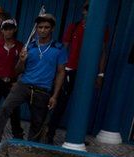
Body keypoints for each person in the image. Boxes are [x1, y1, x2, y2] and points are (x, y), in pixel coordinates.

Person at [0, 13, 67, 153]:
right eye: (40, 27)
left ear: (52, 29)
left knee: (37, 121)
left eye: (46, 27)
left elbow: (60, 72)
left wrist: (55, 95)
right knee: (5, 108)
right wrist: (22, 60)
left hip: (43, 89)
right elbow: (17, 71)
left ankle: (30, 147)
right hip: (23, 85)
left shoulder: (59, 48)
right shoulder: (29, 46)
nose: (42, 30)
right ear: (36, 29)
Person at [46, 0, 108, 145]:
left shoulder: (102, 29)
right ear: (83, 11)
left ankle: (78, 136)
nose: (88, 12)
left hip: (88, 73)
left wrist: (100, 74)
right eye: (86, 9)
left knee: (83, 105)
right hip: (69, 70)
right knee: (60, 103)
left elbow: (103, 52)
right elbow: (64, 49)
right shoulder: (74, 27)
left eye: (91, 9)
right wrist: (61, 70)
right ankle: (50, 134)